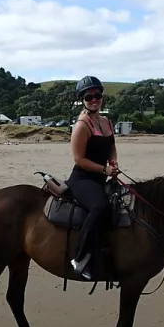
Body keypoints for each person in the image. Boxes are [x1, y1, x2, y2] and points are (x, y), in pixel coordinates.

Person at [67, 75, 119, 280]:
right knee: (100, 207)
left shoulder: (106, 122)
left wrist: (113, 162)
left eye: (97, 95)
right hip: (83, 179)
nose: (94, 100)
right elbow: (79, 159)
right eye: (89, 97)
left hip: (101, 177)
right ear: (82, 100)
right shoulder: (82, 125)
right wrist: (104, 170)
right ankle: (79, 258)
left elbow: (111, 146)